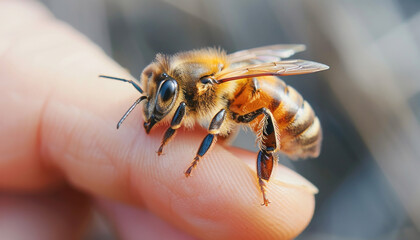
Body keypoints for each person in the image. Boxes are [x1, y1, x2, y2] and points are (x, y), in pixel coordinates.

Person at [0, 1, 318, 239]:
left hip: (284, 110)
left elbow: (213, 116)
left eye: (161, 99)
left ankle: (263, 182)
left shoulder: (202, 85)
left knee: (260, 115)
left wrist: (186, 151)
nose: (154, 110)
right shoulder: (188, 82)